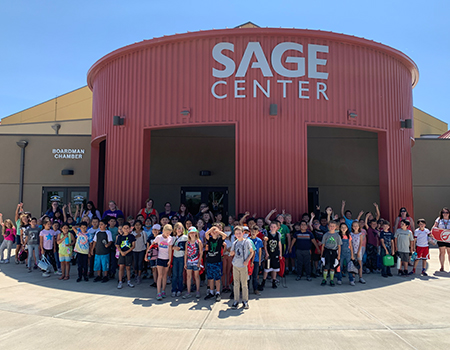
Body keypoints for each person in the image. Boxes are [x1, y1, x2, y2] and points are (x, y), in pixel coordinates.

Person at [230, 225, 254, 309]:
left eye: (240, 233)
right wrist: (231, 253)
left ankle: (245, 301)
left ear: (243, 233)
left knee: (244, 284)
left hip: (243, 266)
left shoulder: (247, 242)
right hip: (236, 265)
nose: (238, 235)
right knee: (236, 283)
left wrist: (247, 260)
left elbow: (251, 252)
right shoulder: (235, 243)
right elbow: (231, 253)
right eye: (236, 233)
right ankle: (236, 301)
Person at [204, 226, 227, 302]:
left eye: (215, 231)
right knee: (210, 278)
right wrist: (212, 229)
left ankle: (217, 292)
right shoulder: (209, 239)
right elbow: (206, 234)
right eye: (213, 231)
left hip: (217, 261)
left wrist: (218, 231)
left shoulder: (219, 240)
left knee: (217, 278)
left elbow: (225, 236)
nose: (214, 232)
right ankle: (211, 292)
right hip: (210, 261)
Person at [259, 221, 282, 290]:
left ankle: (274, 281)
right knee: (267, 268)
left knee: (275, 268)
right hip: (269, 253)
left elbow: (279, 244)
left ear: (277, 228)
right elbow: (265, 244)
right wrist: (266, 253)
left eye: (274, 227)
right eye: (271, 227)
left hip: (275, 253)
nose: (273, 228)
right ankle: (263, 281)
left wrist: (280, 253)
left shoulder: (278, 234)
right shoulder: (267, 234)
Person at [154, 224, 173, 300]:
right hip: (159, 258)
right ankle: (158, 292)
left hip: (166, 259)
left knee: (165, 275)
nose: (168, 235)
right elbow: (153, 245)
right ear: (163, 231)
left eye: (169, 233)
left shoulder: (170, 239)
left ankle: (163, 290)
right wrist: (148, 255)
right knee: (160, 275)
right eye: (167, 233)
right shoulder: (159, 237)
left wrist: (170, 260)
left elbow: (170, 249)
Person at [320, 220, 342, 286]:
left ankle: (331, 280)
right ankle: (324, 279)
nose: (332, 227)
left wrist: (339, 255)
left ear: (336, 227)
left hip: (334, 251)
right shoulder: (326, 235)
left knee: (332, 267)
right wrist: (321, 254)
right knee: (326, 267)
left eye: (333, 226)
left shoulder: (337, 236)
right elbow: (323, 245)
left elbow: (339, 246)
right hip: (326, 251)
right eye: (330, 226)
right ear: (328, 226)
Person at [183, 227, 203, 299]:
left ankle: (198, 291)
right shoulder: (187, 243)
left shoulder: (198, 242)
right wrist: (185, 263)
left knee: (196, 276)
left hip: (196, 261)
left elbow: (201, 252)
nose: (192, 234)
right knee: (188, 277)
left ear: (196, 233)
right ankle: (188, 291)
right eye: (190, 233)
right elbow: (186, 253)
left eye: (193, 232)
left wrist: (199, 262)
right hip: (189, 261)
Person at [116, 222, 136, 289]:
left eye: (127, 228)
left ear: (130, 228)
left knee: (128, 267)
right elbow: (117, 245)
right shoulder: (120, 237)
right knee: (121, 267)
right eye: (124, 228)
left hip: (129, 254)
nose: (126, 229)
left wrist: (126, 252)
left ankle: (129, 281)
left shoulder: (131, 236)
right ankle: (120, 281)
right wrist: (121, 252)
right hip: (121, 254)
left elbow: (133, 246)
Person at [171, 222, 187, 297]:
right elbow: (170, 246)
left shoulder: (185, 237)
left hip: (181, 257)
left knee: (180, 274)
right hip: (175, 257)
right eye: (177, 228)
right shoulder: (173, 238)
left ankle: (180, 289)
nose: (179, 230)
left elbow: (187, 247)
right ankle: (174, 289)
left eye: (180, 228)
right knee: (174, 274)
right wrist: (173, 248)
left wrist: (180, 248)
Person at [432, 207, 450, 272]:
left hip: (449, 239)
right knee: (442, 252)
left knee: (449, 253)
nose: (445, 214)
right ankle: (442, 266)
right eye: (443, 212)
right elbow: (434, 226)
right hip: (441, 238)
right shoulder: (439, 219)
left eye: (447, 212)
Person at [132, 220, 147, 285]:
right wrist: (135, 237)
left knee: (140, 263)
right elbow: (130, 241)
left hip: (142, 249)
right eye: (136, 225)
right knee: (135, 263)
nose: (138, 226)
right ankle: (135, 274)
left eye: (139, 225)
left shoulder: (143, 233)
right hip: (134, 250)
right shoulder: (132, 233)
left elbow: (146, 242)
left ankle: (139, 275)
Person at [249, 225, 263, 295]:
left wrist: (260, 260)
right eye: (252, 231)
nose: (253, 233)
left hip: (256, 260)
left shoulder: (259, 240)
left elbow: (260, 251)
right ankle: (247, 289)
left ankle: (255, 289)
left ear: (258, 233)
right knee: (248, 276)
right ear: (250, 232)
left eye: (255, 231)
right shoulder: (247, 240)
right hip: (248, 260)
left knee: (255, 275)